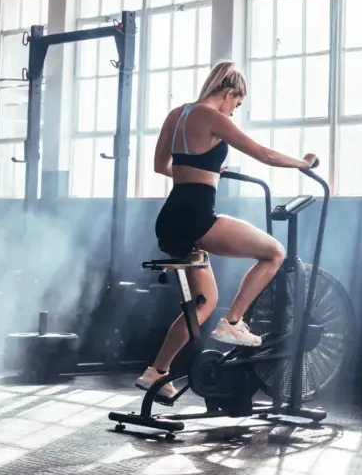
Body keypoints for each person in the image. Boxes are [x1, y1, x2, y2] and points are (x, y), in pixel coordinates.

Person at [135, 60, 317, 402]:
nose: (233, 113)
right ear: (229, 92)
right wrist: (303, 164)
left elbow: (162, 166)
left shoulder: (176, 115)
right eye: (237, 104)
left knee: (203, 303)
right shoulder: (214, 118)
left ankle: (155, 371)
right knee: (274, 252)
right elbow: (264, 155)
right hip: (197, 214)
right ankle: (233, 323)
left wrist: (207, 166)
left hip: (171, 215)